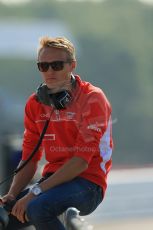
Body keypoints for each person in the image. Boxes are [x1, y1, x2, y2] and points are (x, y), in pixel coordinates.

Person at [0, 36, 113, 230]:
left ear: (72, 66)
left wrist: (34, 192)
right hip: (51, 183)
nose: (49, 71)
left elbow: (80, 163)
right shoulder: (35, 103)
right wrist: (12, 195)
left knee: (37, 208)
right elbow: (29, 159)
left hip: (88, 184)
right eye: (43, 66)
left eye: (57, 65)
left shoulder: (93, 98)